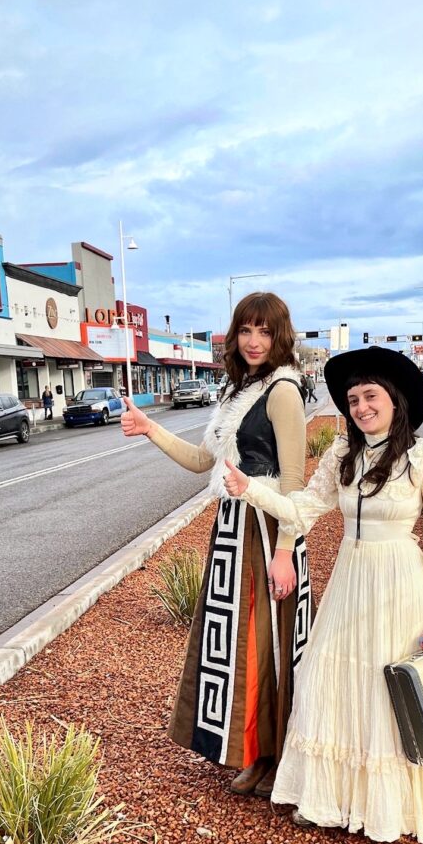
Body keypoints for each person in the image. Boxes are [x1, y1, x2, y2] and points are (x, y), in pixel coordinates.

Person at [223, 345, 423, 842]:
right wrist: (249, 488)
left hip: (401, 583)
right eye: (353, 400)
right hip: (351, 580)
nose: (361, 407)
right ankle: (330, 798)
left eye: (370, 396)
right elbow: (302, 510)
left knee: (390, 687)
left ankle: (391, 806)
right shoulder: (342, 454)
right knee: (330, 676)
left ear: (395, 400)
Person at [122, 292, 312, 798]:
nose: (254, 341)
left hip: (268, 528)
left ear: (280, 336)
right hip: (233, 526)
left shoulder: (282, 390)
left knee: (264, 640)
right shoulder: (237, 391)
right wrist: (149, 428)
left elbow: (294, 481)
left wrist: (285, 551)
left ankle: (272, 753)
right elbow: (202, 461)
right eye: (246, 330)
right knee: (234, 642)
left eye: (265, 332)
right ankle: (248, 748)